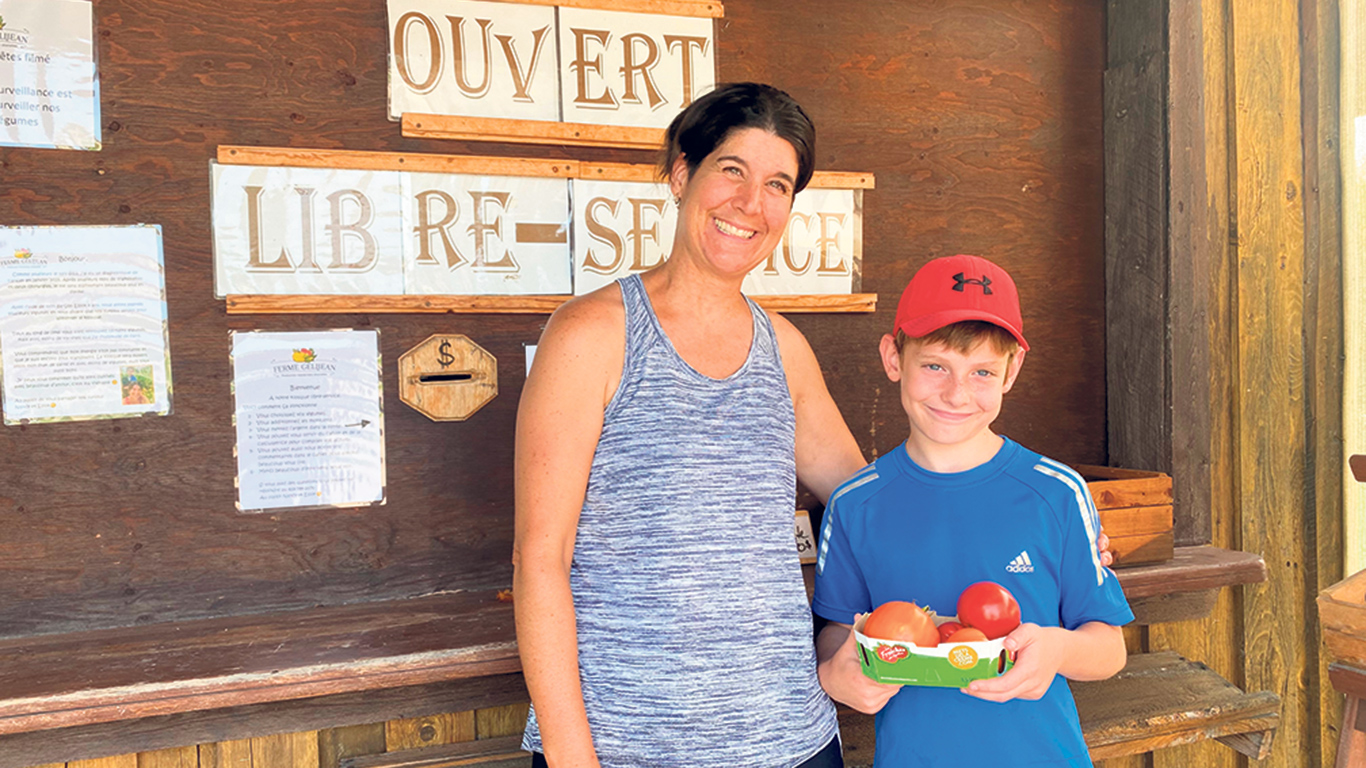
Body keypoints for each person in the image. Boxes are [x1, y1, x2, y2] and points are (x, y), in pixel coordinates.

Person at [512, 82, 863, 768]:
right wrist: (571, 755)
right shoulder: (592, 335)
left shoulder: (784, 350)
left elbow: (869, 499)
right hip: (628, 745)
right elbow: (539, 559)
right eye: (731, 170)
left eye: (777, 185)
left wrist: (1032, 530)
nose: (750, 204)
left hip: (790, 738)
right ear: (680, 171)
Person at [811, 254, 1133, 767]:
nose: (956, 393)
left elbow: (1108, 647)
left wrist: (1056, 651)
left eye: (981, 371)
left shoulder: (1057, 492)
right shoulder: (856, 503)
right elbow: (834, 627)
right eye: (935, 365)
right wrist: (838, 672)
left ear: (1012, 370)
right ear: (894, 358)